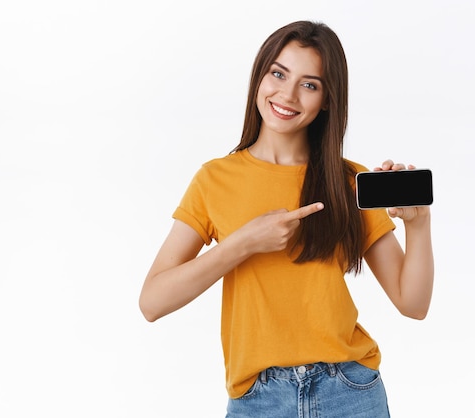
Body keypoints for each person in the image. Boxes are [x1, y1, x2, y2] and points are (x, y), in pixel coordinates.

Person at [138, 20, 433, 418]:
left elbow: (413, 303)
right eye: (278, 73)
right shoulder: (214, 179)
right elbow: (152, 302)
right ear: (260, 75)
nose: (287, 94)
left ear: (327, 100)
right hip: (258, 400)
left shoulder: (345, 181)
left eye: (309, 84)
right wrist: (244, 243)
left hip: (350, 392)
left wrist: (418, 225)